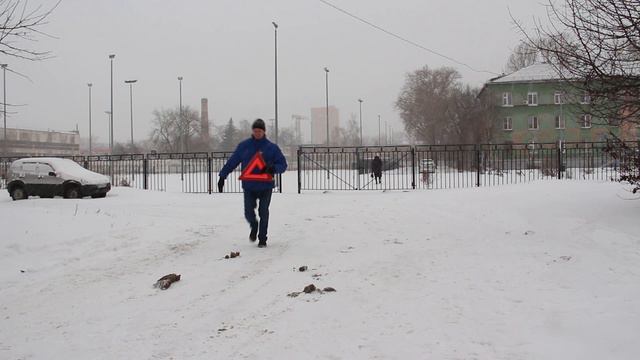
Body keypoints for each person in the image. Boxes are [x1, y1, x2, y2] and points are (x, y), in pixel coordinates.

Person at [217, 119, 288, 248]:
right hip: (249, 185)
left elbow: (283, 164)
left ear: (264, 131)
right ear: (252, 131)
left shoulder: (271, 148)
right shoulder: (244, 146)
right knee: (248, 212)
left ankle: (262, 238)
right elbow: (233, 161)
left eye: (259, 131)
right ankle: (254, 225)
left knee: (263, 212)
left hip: (266, 186)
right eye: (255, 131)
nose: (257, 133)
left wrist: (272, 169)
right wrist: (223, 176)